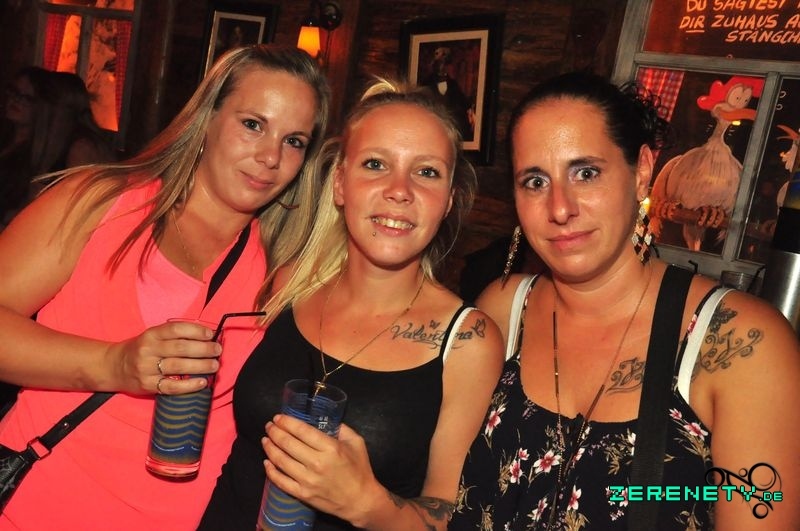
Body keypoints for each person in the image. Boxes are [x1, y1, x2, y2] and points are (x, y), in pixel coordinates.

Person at [450, 72, 800, 530]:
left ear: (642, 172)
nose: (560, 208)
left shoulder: (739, 343)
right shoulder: (502, 310)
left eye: (586, 173)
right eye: (535, 181)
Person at [0, 45, 330, 529]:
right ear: (207, 118)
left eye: (294, 140)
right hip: (34, 506)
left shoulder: (283, 272)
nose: (270, 157)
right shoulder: (101, 203)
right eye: (253, 124)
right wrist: (115, 364)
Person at [200, 78, 504, 530]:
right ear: (340, 184)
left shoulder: (467, 341)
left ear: (448, 202)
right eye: (376, 164)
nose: (399, 190)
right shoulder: (291, 285)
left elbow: (449, 515)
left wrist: (366, 503)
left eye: (426, 172)